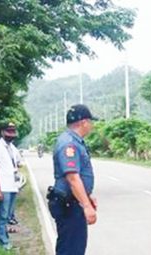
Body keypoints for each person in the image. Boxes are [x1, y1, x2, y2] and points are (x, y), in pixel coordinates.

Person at [48, 104, 98, 255]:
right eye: (90, 122)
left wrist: (87, 197)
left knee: (74, 247)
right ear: (83, 122)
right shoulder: (69, 143)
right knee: (71, 249)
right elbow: (72, 178)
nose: (91, 126)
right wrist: (87, 206)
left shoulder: (74, 141)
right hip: (69, 204)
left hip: (72, 202)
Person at [0, 122, 22, 250]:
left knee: (7, 216)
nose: (12, 134)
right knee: (2, 216)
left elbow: (18, 163)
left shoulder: (12, 147)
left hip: (12, 186)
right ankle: (2, 242)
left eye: (13, 131)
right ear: (2, 132)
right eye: (9, 131)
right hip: (3, 187)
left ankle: (5, 239)